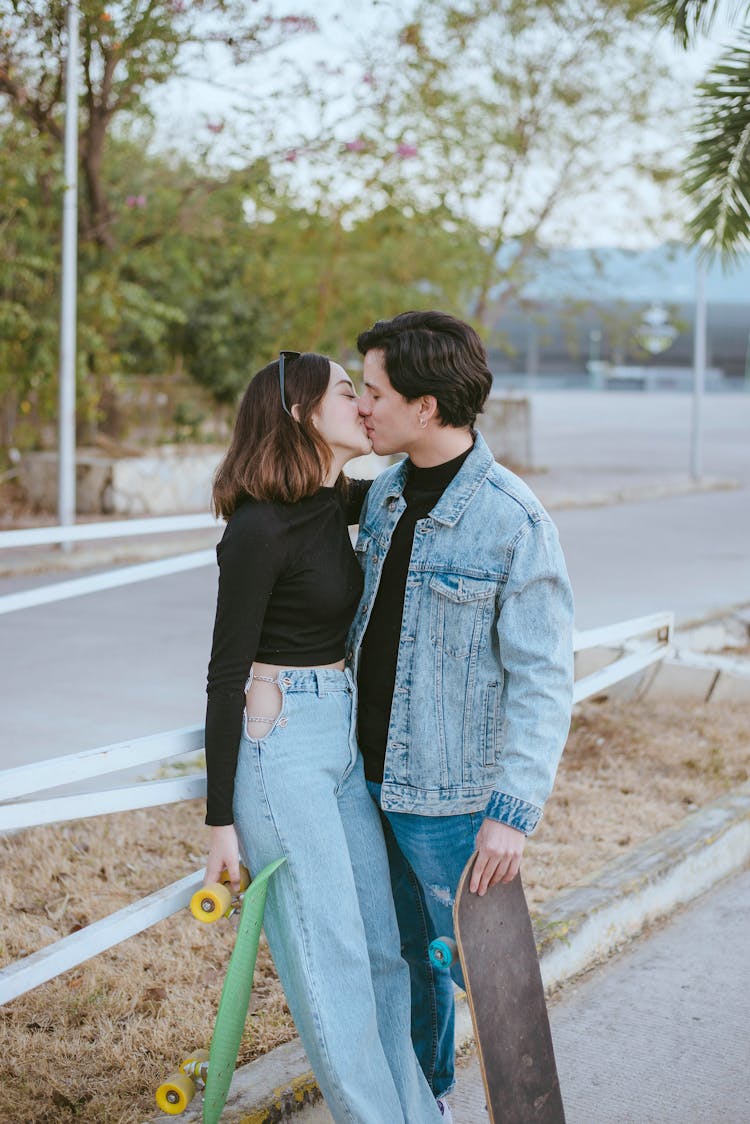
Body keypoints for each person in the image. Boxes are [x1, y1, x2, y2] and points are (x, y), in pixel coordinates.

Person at [202, 351, 444, 1123]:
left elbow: (422, 476)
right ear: (303, 412)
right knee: (331, 958)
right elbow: (222, 675)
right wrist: (219, 824)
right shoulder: (257, 528)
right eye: (350, 392)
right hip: (281, 745)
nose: (364, 406)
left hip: (339, 738)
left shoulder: (334, 501)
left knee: (379, 950)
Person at [347, 311, 575, 1108]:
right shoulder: (381, 498)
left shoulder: (513, 520)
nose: (362, 406)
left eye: (374, 391)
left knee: (490, 980)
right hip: (364, 783)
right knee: (406, 962)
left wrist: (511, 813)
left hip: (452, 803)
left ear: (428, 407)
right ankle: (428, 1101)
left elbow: (545, 677)